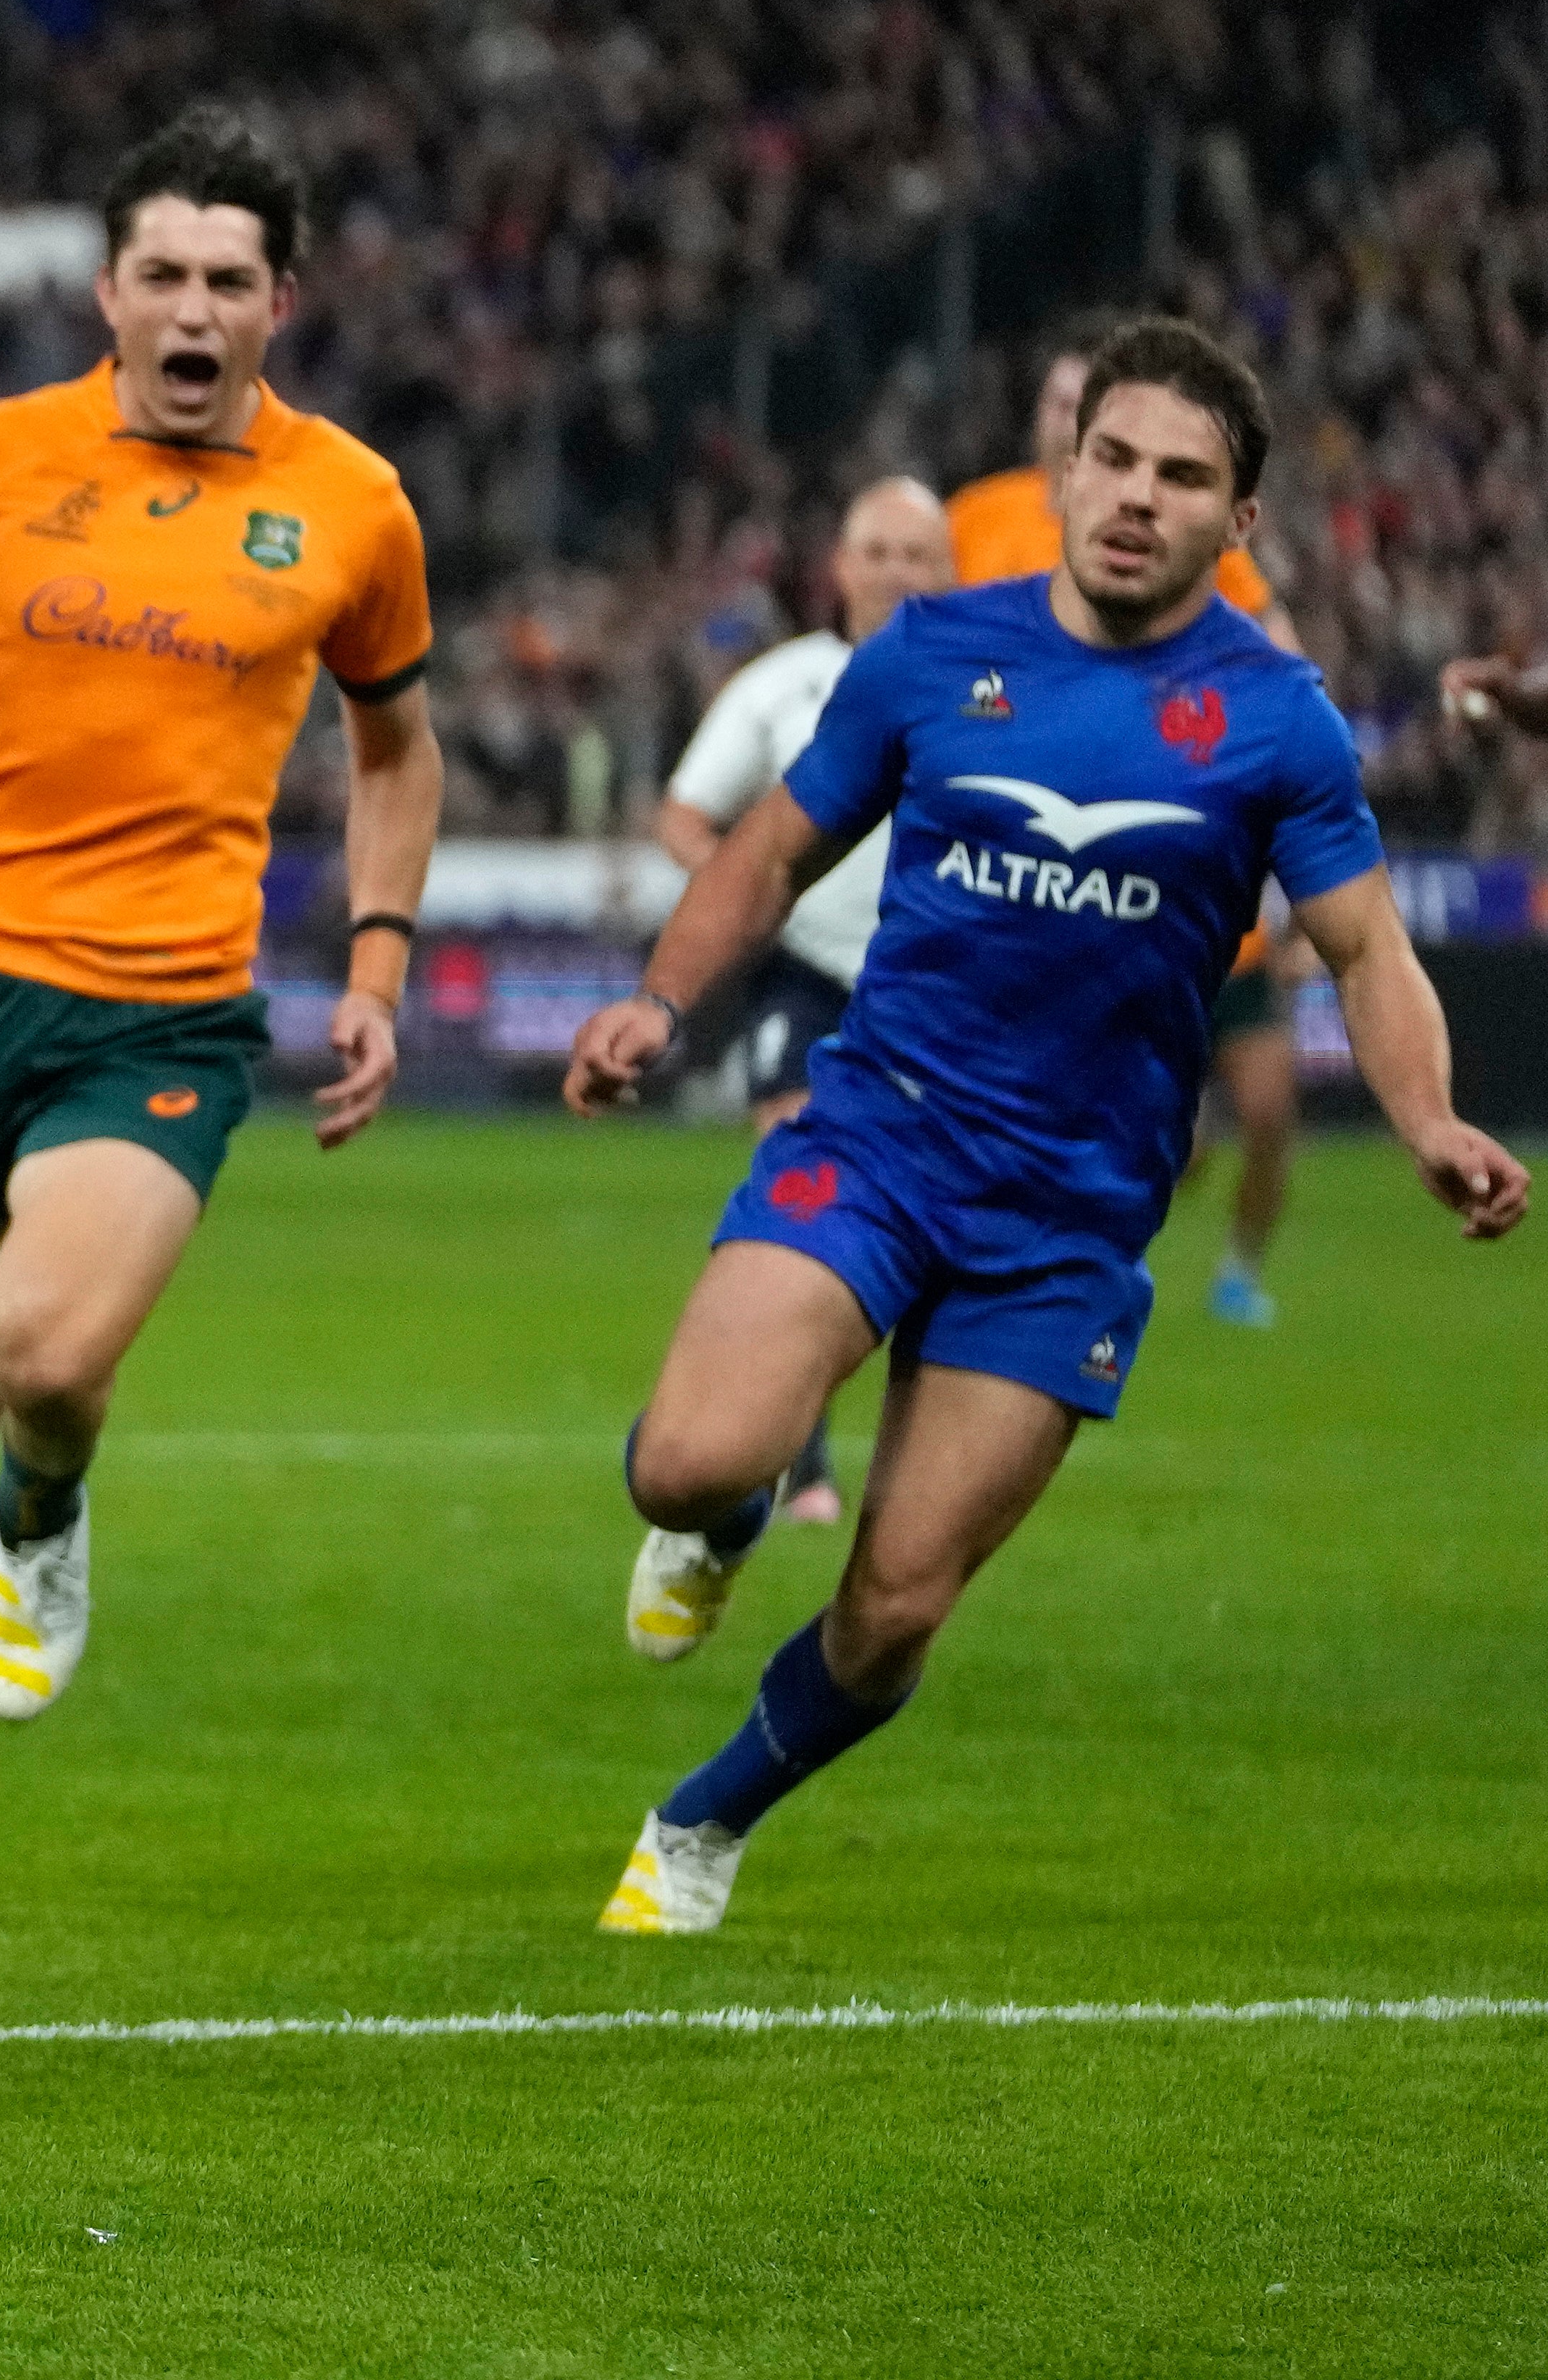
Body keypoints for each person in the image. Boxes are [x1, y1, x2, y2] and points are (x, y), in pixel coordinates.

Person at [565, 316, 1524, 1937]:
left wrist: (1424, 1112)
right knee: (687, 1460)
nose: (1141, 496)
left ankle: (703, 1817)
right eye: (1118, 458)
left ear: (1244, 522)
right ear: (1066, 470)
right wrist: (663, 1001)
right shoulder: (935, 652)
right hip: (882, 1133)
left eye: (1187, 477)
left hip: (1070, 1221)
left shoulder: (1278, 720)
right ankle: (725, 1519)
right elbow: (771, 850)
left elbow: (1368, 946)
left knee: (891, 1610)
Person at [0, 104, 444, 1913]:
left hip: (158, 1007)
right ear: (105, 288)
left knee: (41, 1357)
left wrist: (374, 964)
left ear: (276, 305)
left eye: (225, 278)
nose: (189, 305)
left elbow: (392, 742)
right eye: (158, 270)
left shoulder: (348, 503)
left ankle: (48, 1504)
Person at [637, 479, 953, 1606]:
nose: (896, 571)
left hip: (941, 1004)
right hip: (809, 982)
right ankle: (796, 1461)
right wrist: (736, 897)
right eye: (876, 549)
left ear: (949, 566)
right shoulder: (781, 687)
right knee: (804, 1185)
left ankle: (892, 1476)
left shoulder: (993, 686)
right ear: (840, 565)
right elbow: (684, 813)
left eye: (919, 553)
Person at [945, 316, 1299, 649]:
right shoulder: (971, 513)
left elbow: (1273, 638)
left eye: (1080, 409)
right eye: (1057, 403)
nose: (1065, 424)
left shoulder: (1174, 533)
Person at [1195, 904, 1308, 1327]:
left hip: (1249, 974)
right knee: (1183, 1158)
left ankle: (1240, 1275)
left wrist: (1301, 946)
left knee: (1270, 1120)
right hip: (1182, 961)